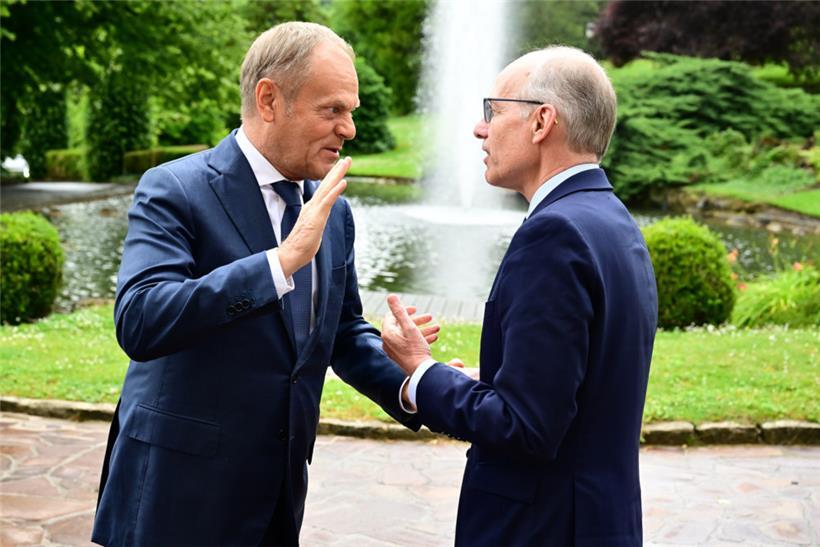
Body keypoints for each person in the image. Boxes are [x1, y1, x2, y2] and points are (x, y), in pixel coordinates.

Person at [92, 22, 435, 546]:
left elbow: (342, 333)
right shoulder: (174, 188)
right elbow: (141, 319)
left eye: (351, 111)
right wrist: (281, 262)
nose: (349, 129)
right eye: (332, 109)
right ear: (269, 99)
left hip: (277, 498)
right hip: (175, 499)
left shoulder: (333, 211)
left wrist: (417, 382)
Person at [381, 46, 658, 546]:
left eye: (493, 111)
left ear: (542, 122)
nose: (479, 129)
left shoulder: (554, 235)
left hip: (542, 529)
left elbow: (524, 427)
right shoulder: (613, 221)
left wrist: (422, 371)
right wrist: (492, 379)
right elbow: (576, 391)